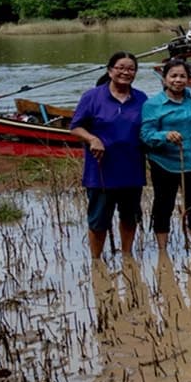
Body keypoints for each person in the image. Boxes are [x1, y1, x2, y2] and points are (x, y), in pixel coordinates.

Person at [69, 52, 148, 257]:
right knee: (98, 220)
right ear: (110, 70)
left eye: (131, 69)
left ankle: (127, 257)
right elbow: (75, 127)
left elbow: (148, 129)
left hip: (131, 168)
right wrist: (92, 139)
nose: (125, 72)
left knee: (130, 217)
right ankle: (96, 261)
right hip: (101, 169)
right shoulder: (92, 97)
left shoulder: (141, 98)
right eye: (120, 68)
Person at [139, 58, 191, 255]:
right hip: (165, 162)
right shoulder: (152, 104)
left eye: (182, 76)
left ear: (188, 79)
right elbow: (145, 134)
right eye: (173, 76)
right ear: (164, 79)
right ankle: (162, 250)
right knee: (164, 205)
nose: (178, 80)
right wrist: (165, 135)